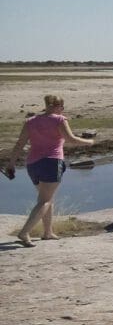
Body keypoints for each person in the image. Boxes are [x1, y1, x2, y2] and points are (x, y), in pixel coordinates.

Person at [4, 95, 95, 247]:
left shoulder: (30, 121)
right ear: (58, 106)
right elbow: (71, 139)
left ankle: (48, 232)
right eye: (62, 107)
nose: (63, 110)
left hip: (33, 164)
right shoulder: (60, 120)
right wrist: (89, 141)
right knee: (45, 200)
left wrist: (11, 163)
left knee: (47, 198)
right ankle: (25, 232)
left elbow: (20, 143)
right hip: (51, 162)